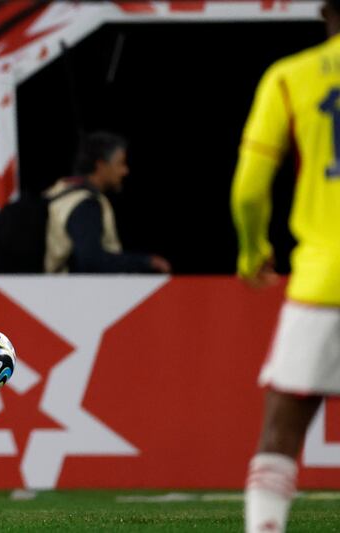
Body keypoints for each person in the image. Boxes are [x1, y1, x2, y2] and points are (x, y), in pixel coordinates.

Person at [232, 2, 340, 531]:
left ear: (326, 12)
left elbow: (250, 189)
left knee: (282, 431)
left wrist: (252, 250)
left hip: (324, 282)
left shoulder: (289, 77)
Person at [44, 131, 171, 274]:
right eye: (120, 163)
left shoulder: (58, 192)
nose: (125, 171)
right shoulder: (84, 204)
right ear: (101, 165)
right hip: (71, 292)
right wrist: (146, 262)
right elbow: (91, 261)